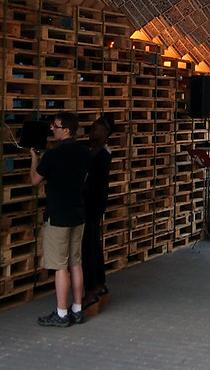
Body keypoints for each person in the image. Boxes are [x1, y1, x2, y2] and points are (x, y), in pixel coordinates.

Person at [30, 111, 91, 327]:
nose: (52, 130)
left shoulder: (52, 155)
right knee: (76, 263)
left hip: (57, 215)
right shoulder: (85, 153)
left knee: (59, 266)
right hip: (78, 213)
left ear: (66, 130)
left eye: (55, 126)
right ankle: (76, 308)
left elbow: (35, 179)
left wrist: (34, 158)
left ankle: (62, 313)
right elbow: (84, 178)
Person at [83, 114, 114, 312]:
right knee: (93, 244)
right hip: (94, 203)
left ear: (106, 133)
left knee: (87, 247)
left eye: (96, 128)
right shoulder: (97, 151)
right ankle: (99, 284)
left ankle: (92, 289)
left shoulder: (100, 154)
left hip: (91, 203)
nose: (92, 130)